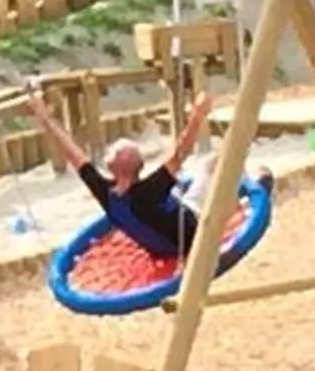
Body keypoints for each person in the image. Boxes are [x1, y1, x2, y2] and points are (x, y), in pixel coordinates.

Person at [21, 81, 223, 259]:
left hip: (169, 245)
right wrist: (197, 115)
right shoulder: (148, 191)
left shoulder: (106, 194)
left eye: (112, 150)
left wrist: (45, 119)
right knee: (202, 172)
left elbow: (73, 153)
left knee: (190, 186)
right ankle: (221, 158)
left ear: (114, 165)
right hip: (190, 238)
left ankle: (220, 160)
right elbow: (180, 153)